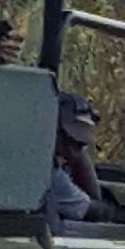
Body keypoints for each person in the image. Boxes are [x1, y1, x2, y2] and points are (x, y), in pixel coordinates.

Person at [48, 92, 104, 222]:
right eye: (70, 141)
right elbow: (94, 211)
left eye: (80, 145)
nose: (73, 150)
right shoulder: (51, 176)